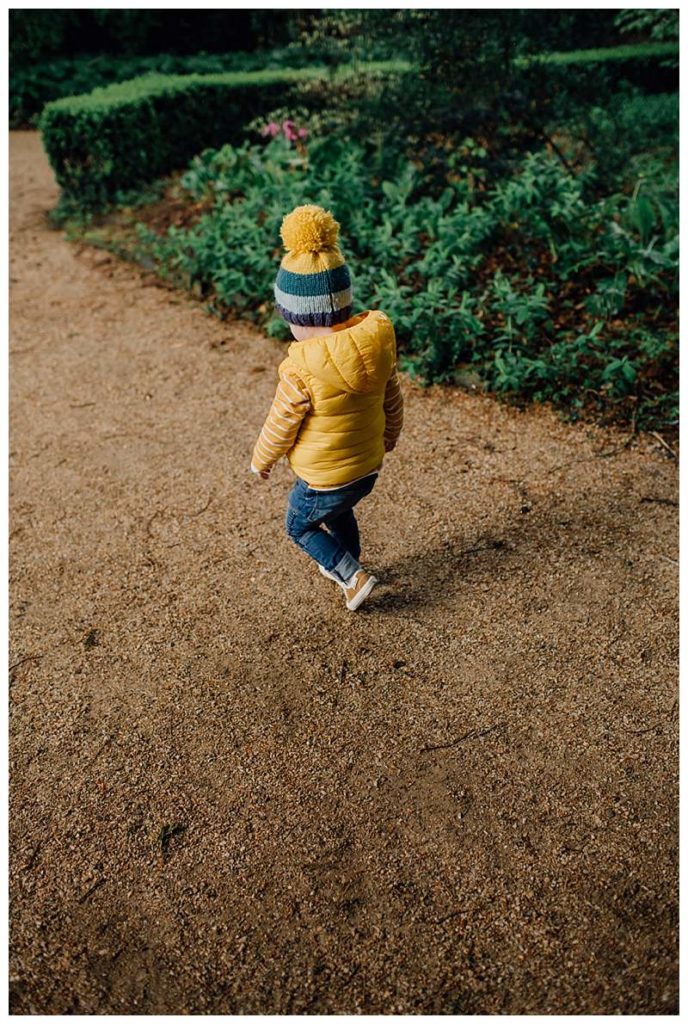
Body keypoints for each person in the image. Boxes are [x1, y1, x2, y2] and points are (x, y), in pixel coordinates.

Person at [250, 204, 403, 610]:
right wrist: (390, 437)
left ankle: (351, 576)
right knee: (340, 510)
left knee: (299, 525)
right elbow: (393, 398)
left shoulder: (301, 367)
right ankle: (349, 561)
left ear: (301, 317)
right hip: (366, 467)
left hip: (324, 476)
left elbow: (280, 422)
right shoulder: (376, 345)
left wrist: (261, 460)